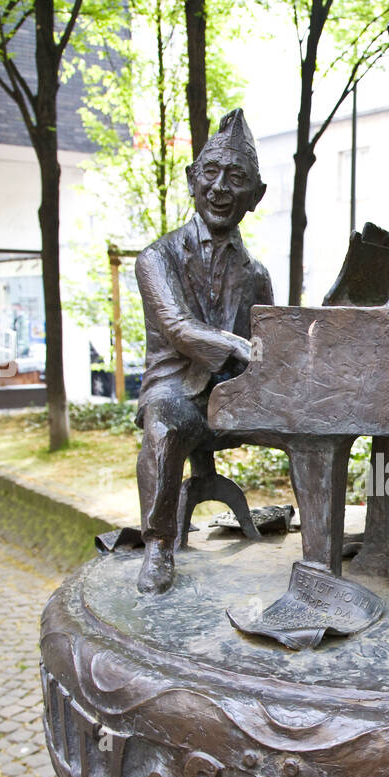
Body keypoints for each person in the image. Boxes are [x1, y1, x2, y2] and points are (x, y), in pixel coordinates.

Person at [134, 108, 273, 594]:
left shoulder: (256, 275)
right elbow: (177, 328)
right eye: (209, 174)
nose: (219, 188)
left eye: (236, 179)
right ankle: (158, 545)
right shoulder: (157, 258)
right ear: (192, 181)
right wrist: (240, 347)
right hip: (177, 391)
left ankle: (320, 552)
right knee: (167, 423)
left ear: (255, 197)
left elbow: (270, 345)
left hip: (234, 399)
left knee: (311, 424)